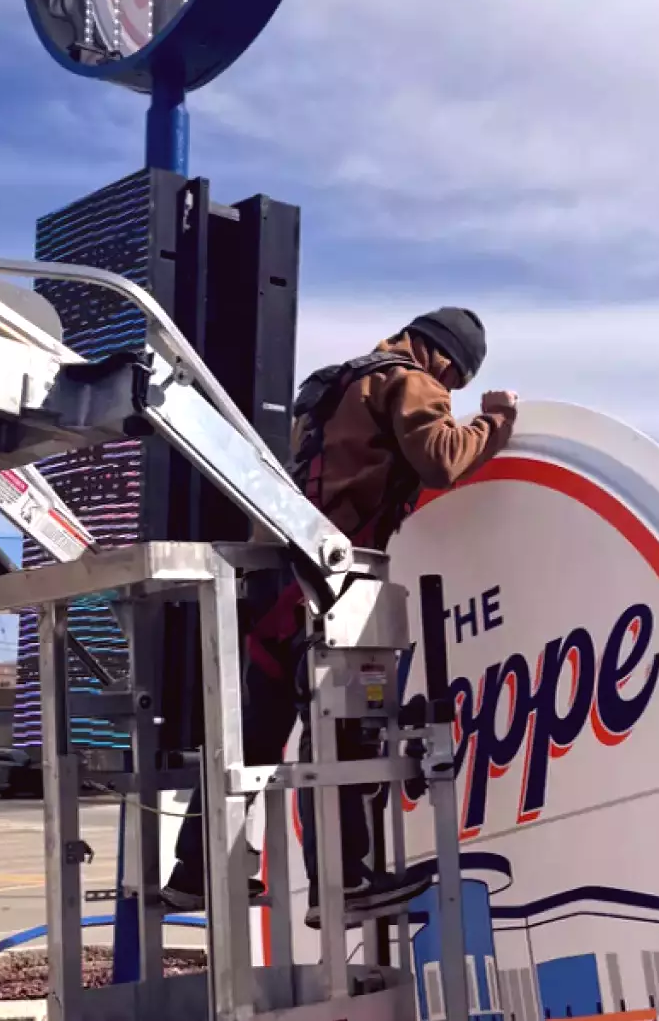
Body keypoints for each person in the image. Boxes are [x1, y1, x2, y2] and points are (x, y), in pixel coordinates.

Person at [162, 306, 519, 926]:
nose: (450, 391)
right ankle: (344, 883)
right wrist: (495, 418)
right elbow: (442, 458)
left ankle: (195, 875)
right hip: (332, 584)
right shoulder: (409, 380)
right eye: (455, 378)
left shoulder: (335, 385)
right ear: (444, 356)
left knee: (251, 742)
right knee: (346, 736)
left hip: (277, 581)